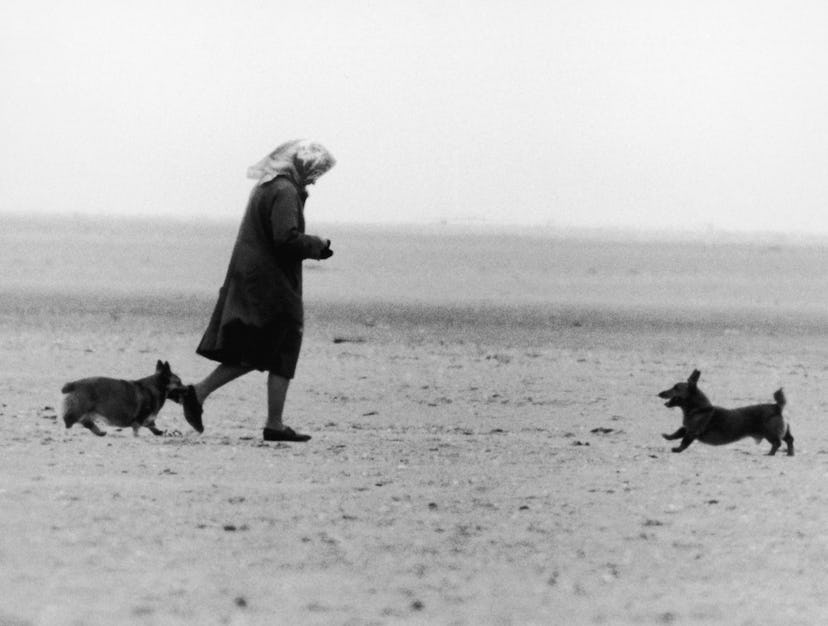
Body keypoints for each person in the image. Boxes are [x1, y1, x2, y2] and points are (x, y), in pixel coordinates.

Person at [180, 139, 336, 442]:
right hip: (272, 284)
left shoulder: (268, 186)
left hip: (254, 278)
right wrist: (317, 245)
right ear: (302, 165)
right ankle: (272, 424)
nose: (316, 179)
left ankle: (200, 394)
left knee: (258, 349)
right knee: (284, 345)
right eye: (316, 171)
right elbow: (285, 239)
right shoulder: (286, 191)